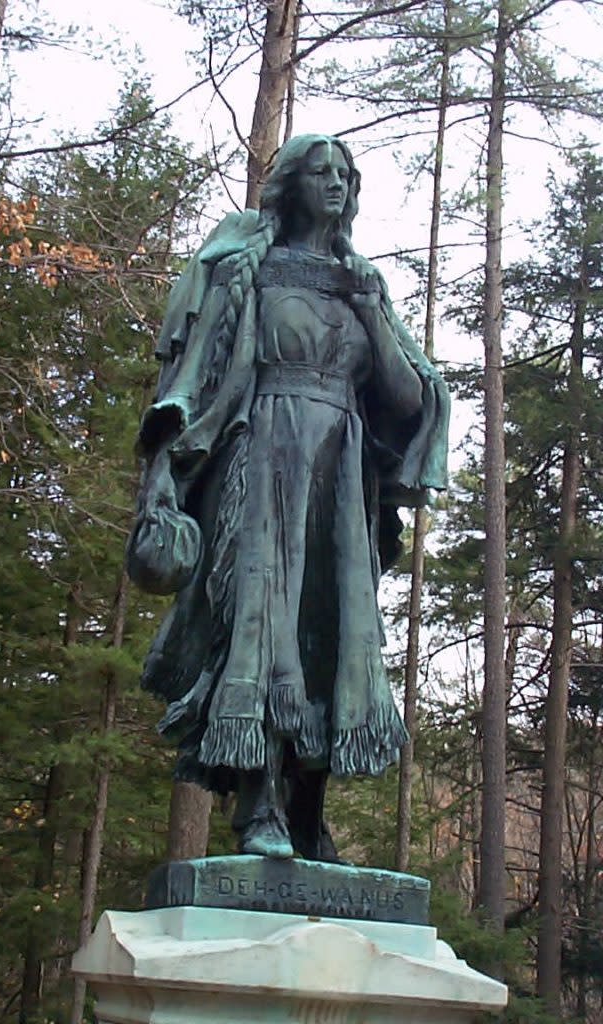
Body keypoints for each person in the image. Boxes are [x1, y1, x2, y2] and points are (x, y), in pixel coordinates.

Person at [127, 134, 449, 860]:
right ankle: (259, 806)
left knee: (332, 633)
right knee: (263, 624)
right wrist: (172, 460)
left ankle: (309, 814)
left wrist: (370, 307)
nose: (334, 184)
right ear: (291, 185)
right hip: (263, 456)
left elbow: (403, 396)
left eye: (344, 174)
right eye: (319, 172)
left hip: (342, 479)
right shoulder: (255, 267)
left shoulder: (360, 280)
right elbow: (206, 371)